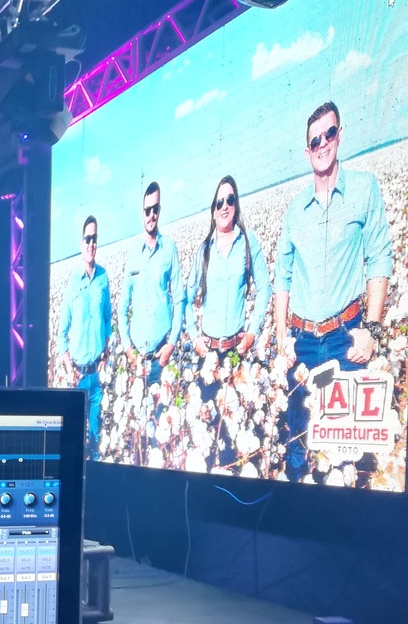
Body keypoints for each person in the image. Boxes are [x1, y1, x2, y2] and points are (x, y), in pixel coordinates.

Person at [274, 101, 392, 482]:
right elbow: (282, 278)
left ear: (339, 135)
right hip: (303, 343)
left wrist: (372, 330)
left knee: (351, 452)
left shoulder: (364, 189)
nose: (322, 143)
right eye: (315, 140)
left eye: (329, 134)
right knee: (298, 443)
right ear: (306, 151)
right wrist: (282, 341)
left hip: (346, 338)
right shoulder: (295, 211)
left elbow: (380, 258)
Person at [187, 175, 271, 469]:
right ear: (213, 209)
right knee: (209, 431)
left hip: (237, 352)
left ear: (236, 205)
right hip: (208, 355)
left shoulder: (248, 243)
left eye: (230, 200)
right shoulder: (204, 250)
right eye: (219, 202)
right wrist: (193, 336)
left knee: (238, 431)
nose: (225, 206)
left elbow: (265, 288)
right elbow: (186, 298)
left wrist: (253, 332)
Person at [117, 181, 184, 389]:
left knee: (164, 408)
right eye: (148, 210)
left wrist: (171, 343)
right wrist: (128, 349)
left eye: (155, 209)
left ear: (159, 211)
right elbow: (122, 307)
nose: (151, 215)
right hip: (137, 360)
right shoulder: (132, 257)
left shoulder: (169, 249)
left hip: (162, 356)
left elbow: (179, 298)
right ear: (142, 213)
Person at [56, 216, 112, 459]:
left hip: (97, 376)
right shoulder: (72, 284)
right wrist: (69, 368)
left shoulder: (103, 278)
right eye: (88, 239)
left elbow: (108, 318)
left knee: (95, 438)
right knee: (76, 440)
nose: (91, 244)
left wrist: (106, 352)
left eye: (95, 239)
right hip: (78, 378)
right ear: (81, 244)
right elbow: (61, 333)